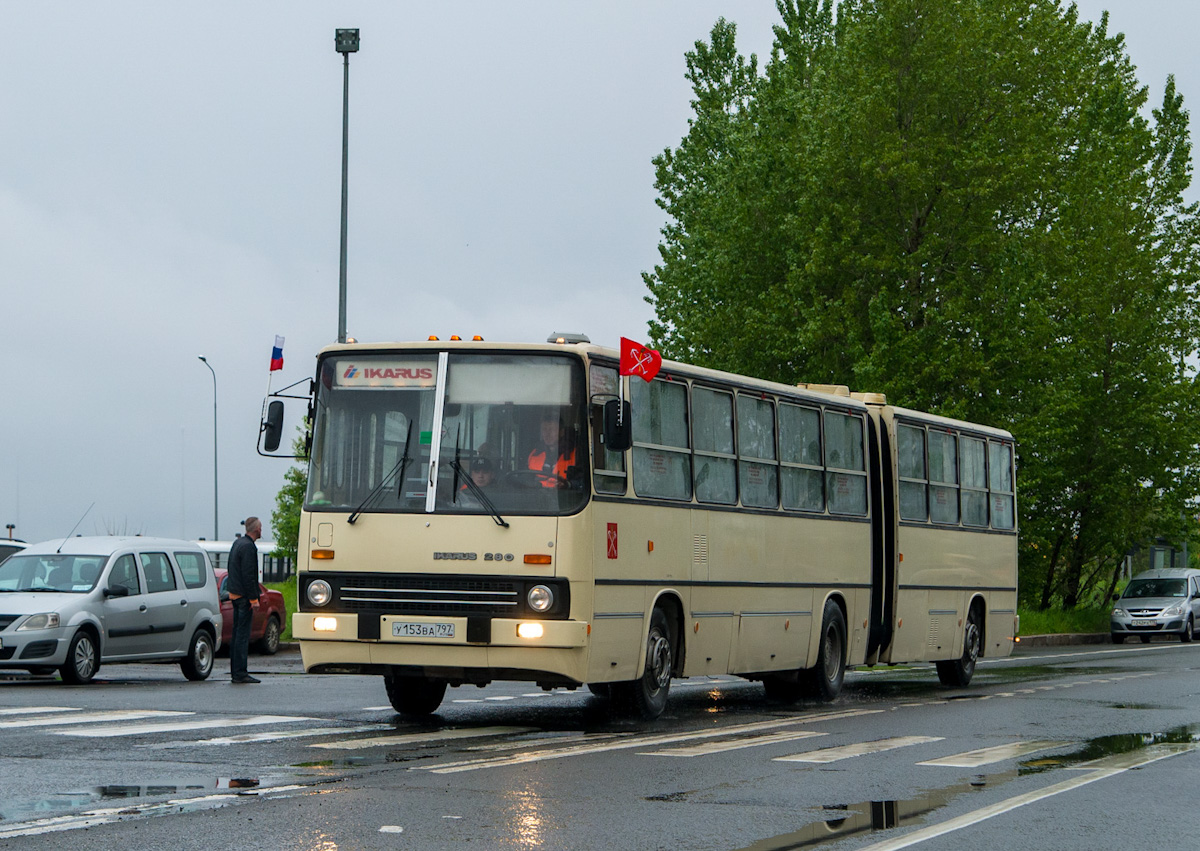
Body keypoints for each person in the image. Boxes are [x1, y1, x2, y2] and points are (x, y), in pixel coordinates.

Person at [227, 516, 262, 684]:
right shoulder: (249, 547)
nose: (261, 530)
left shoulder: (238, 543)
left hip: (235, 595)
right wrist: (254, 599)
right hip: (244, 598)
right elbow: (249, 575)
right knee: (242, 636)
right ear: (256, 529)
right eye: (260, 527)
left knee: (236, 635)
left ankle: (235, 671)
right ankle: (240, 673)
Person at [527, 412, 576, 487]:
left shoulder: (575, 454)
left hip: (564, 493)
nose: (547, 433)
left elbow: (583, 482)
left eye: (552, 429)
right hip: (536, 493)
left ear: (562, 432)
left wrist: (568, 484)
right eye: (544, 429)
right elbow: (526, 478)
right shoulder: (534, 454)